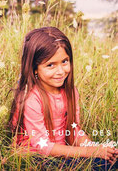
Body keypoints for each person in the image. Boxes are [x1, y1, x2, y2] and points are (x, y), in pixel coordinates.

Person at [8, 27, 117, 170]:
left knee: (111, 159)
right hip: (35, 159)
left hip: (62, 153)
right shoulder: (31, 99)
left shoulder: (70, 92)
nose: (60, 71)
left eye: (65, 61)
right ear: (35, 68)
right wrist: (89, 152)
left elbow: (74, 132)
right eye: (50, 65)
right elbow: (43, 147)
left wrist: (96, 148)